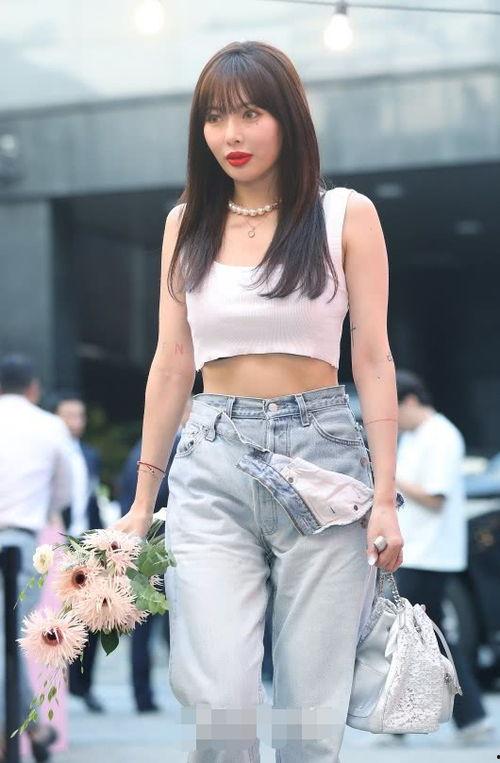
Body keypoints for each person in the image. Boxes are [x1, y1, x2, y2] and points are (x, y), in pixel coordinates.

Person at [110, 40, 404, 762]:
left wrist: (386, 497)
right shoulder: (186, 223)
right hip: (211, 458)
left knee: (309, 722)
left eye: (250, 114)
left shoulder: (344, 215)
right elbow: (172, 363)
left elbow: (372, 356)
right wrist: (142, 504)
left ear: (288, 118)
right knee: (220, 707)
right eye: (214, 118)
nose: (230, 135)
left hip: (322, 459)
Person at [389, 369, 495, 746]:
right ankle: (466, 718)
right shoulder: (415, 437)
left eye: (394, 410)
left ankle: (465, 717)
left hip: (430, 555)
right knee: (424, 639)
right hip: (416, 552)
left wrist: (389, 478)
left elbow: (435, 498)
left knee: (420, 639)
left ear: (410, 401)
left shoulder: (441, 436)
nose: (393, 420)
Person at [0, 354, 73, 762]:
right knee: (8, 642)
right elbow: (65, 490)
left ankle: (28, 731)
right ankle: (31, 731)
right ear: (33, 388)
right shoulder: (49, 426)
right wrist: (45, 509)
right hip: (21, 539)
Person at [117, 396, 192, 713]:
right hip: (157, 547)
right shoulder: (170, 449)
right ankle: (147, 695)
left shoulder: (142, 448)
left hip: (145, 547)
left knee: (145, 627)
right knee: (152, 624)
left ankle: (144, 695)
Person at [49, 391, 106, 714]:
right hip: (53, 543)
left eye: (79, 415)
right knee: (53, 620)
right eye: (68, 415)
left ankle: (84, 686)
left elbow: (92, 499)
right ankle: (53, 687)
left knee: (91, 618)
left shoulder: (89, 454)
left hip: (85, 545)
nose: (75, 422)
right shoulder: (46, 451)